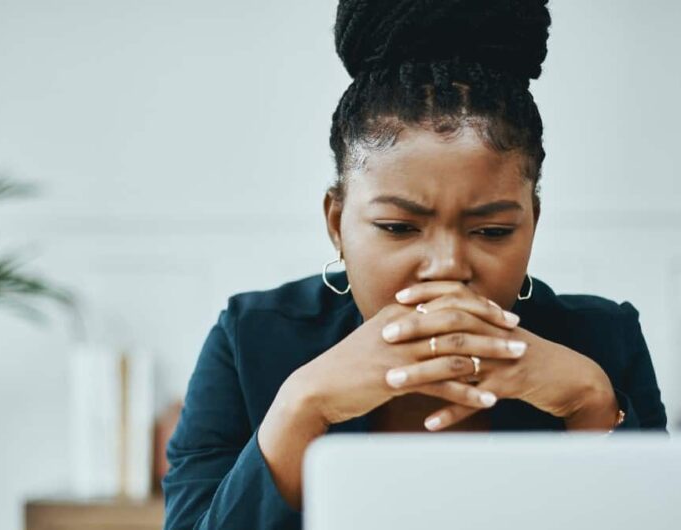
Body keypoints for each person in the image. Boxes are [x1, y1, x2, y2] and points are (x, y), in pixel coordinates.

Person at [162, 1, 668, 529]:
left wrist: (591, 403)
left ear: (532, 225)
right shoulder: (249, 342)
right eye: (399, 228)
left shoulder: (605, 343)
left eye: (492, 231)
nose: (447, 268)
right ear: (337, 222)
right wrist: (301, 408)